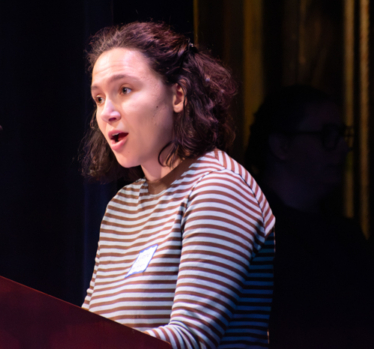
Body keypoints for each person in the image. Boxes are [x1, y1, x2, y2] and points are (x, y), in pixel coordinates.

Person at [80, 21, 275, 348]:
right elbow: (86, 327)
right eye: (98, 99)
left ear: (178, 95)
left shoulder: (218, 187)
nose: (107, 112)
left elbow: (192, 338)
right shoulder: (121, 208)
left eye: (124, 90)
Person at [245, 85, 374, 349]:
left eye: (341, 134)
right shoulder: (248, 229)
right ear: (281, 145)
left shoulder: (347, 235)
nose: (342, 148)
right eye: (327, 135)